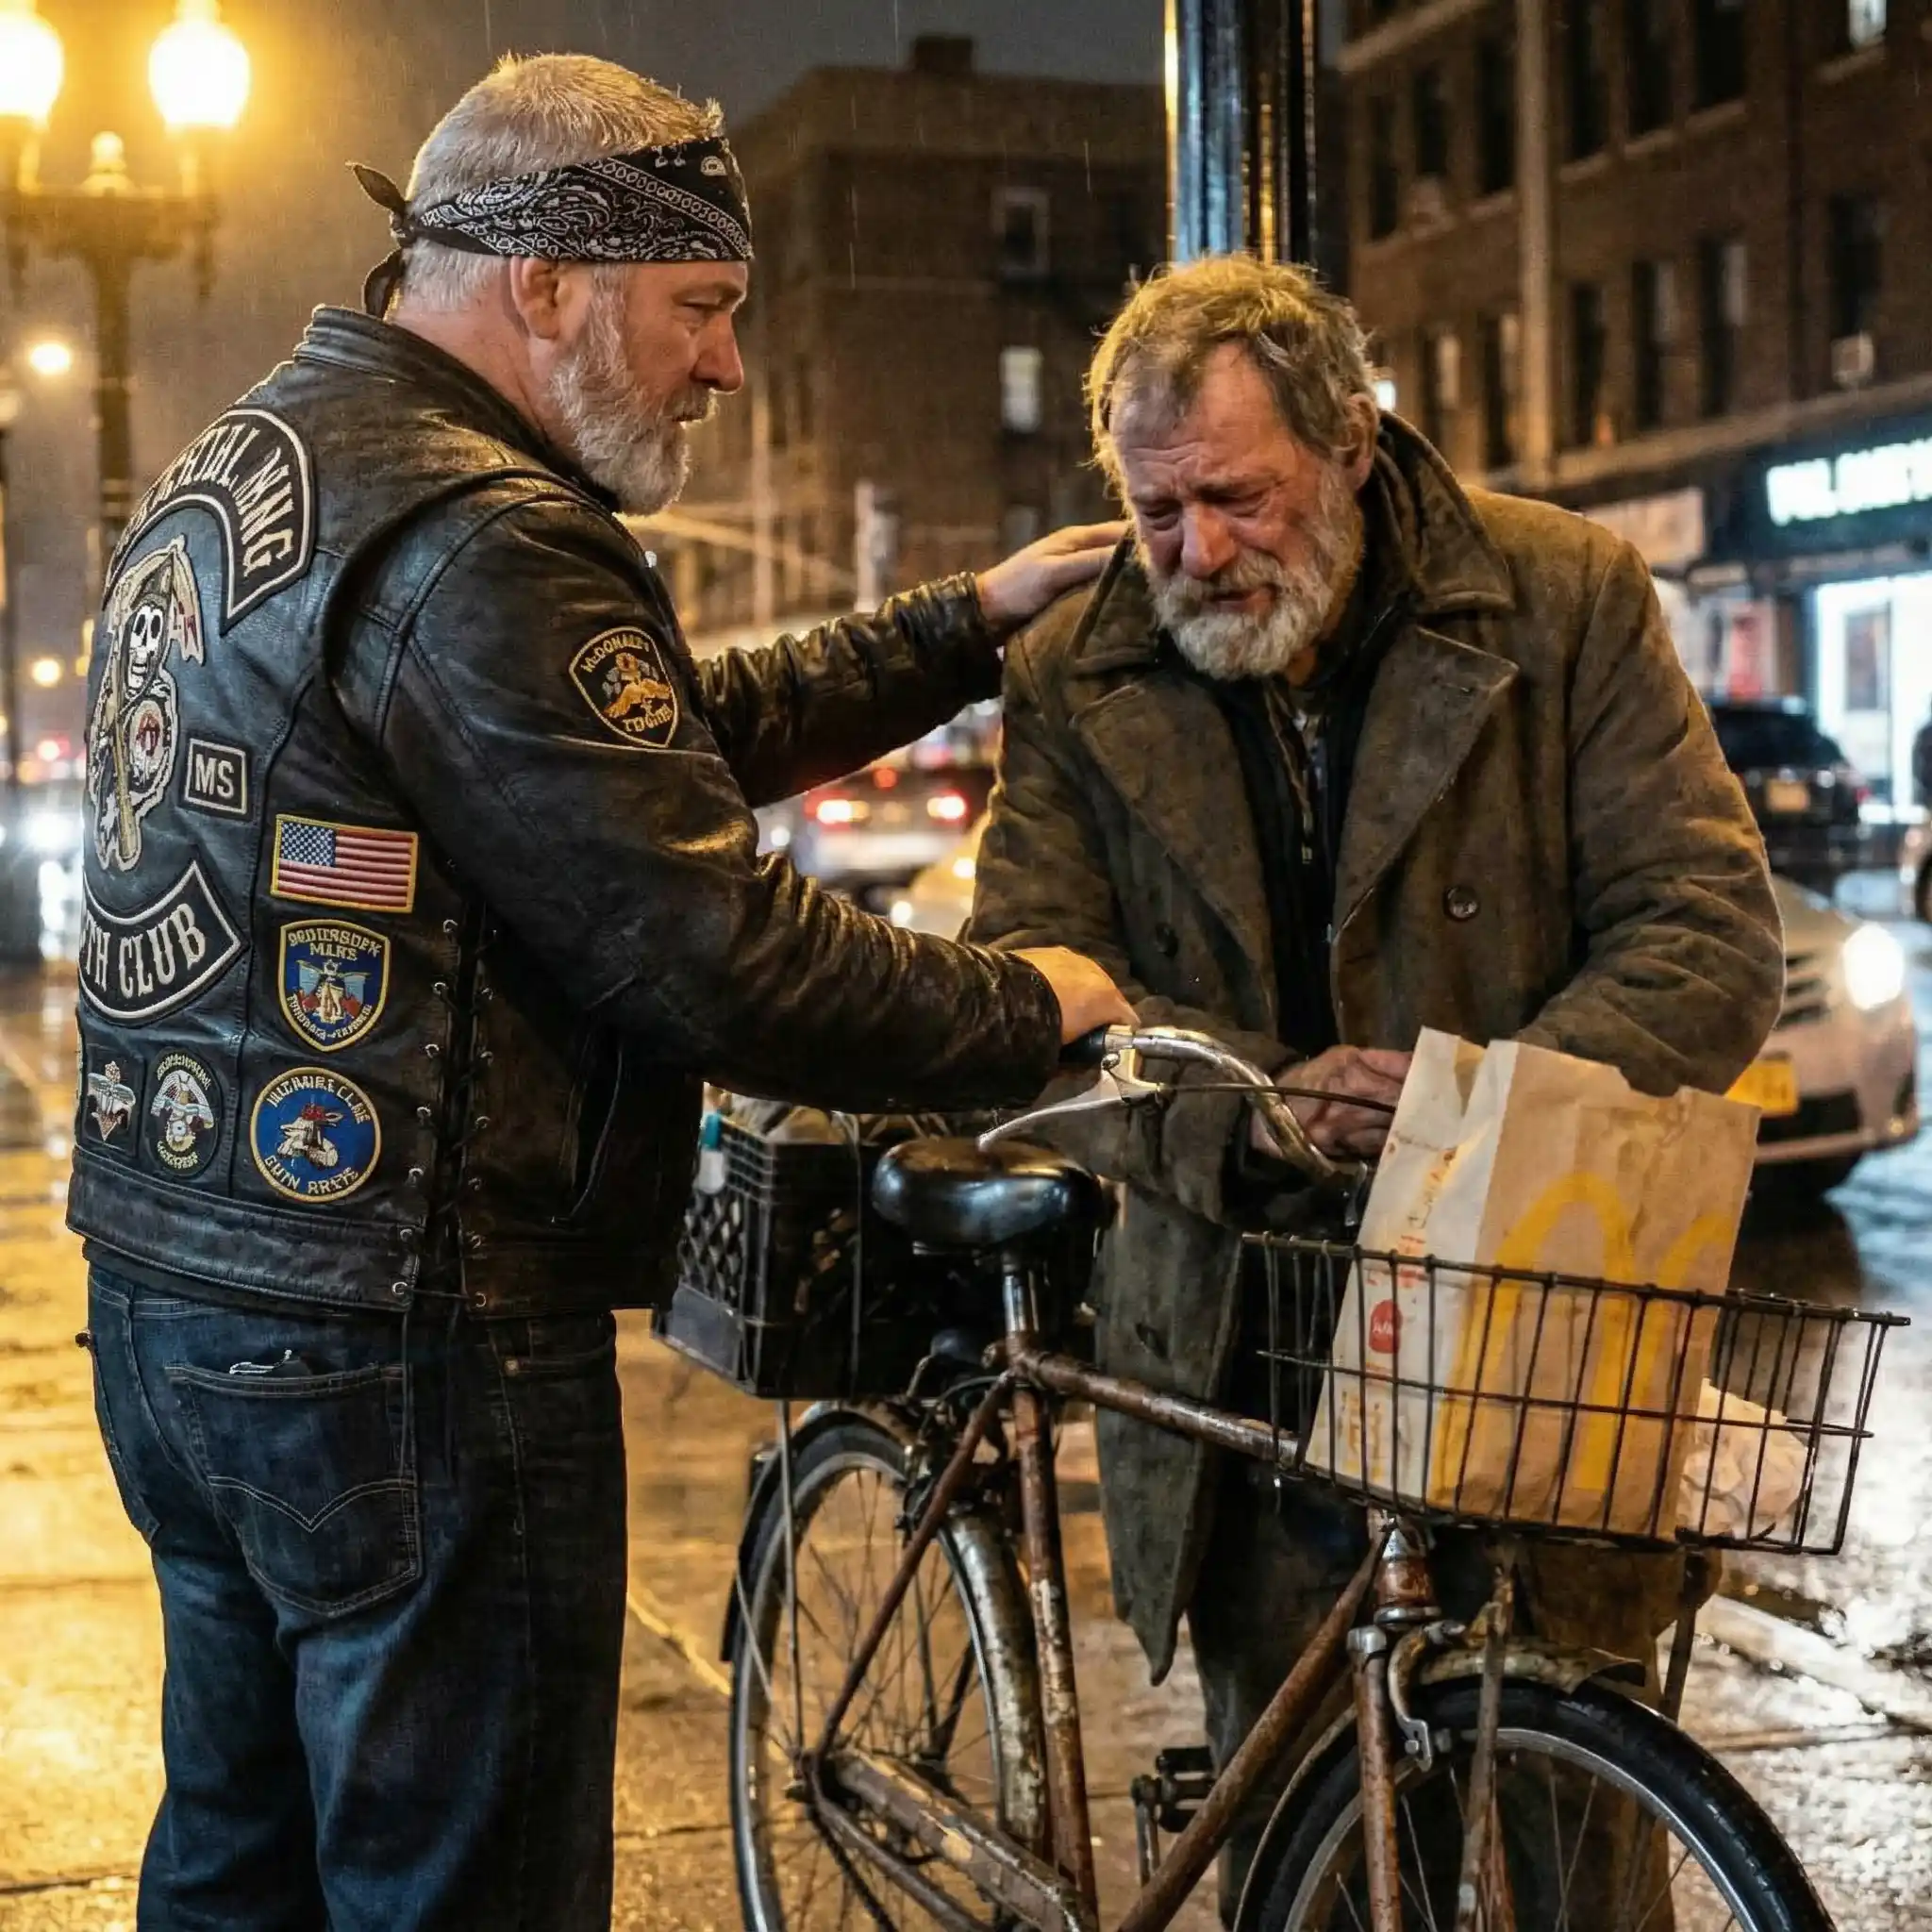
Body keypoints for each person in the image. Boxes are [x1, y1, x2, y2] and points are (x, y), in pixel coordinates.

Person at [73, 53, 1133, 1931]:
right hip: (408, 1332)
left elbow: (624, 753)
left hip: (183, 1292)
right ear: (545, 282)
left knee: (239, 1874)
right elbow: (710, 949)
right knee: (465, 1893)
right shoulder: (488, 530)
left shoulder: (252, 461)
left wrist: (958, 628)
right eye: (698, 307)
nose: (725, 365)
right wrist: (1031, 1003)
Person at [968, 256, 1784, 1919]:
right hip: (1242, 1348)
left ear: (1350, 442)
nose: (1197, 552)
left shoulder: (1563, 595)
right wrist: (1259, 1107)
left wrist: (1473, 1110)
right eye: (1156, 509)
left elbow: (1707, 930)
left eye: (1238, 498)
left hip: (1534, 1326)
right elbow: (1033, 984)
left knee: (1576, 1861)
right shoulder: (1074, 666)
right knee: (1303, 1858)